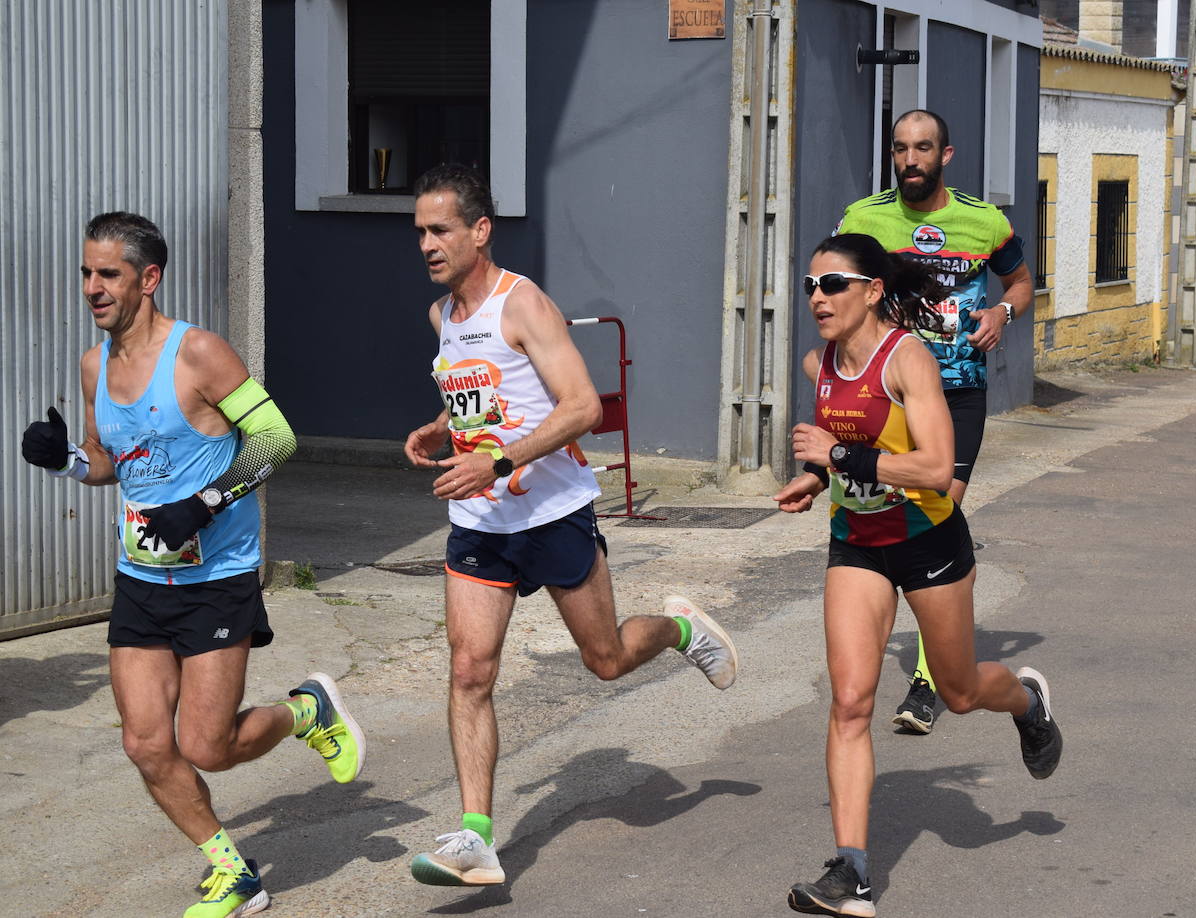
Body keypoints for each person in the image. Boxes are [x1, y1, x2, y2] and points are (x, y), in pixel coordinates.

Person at [402, 164, 739, 887]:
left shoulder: (523, 304)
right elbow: (486, 398)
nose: (427, 244)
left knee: (607, 659)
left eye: (441, 230)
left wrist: (496, 463)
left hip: (551, 513)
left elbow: (583, 405)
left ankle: (681, 629)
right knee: (469, 670)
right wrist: (442, 428)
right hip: (480, 521)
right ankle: (477, 836)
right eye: (420, 232)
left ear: (480, 230)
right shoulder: (443, 318)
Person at [20, 212, 364, 918]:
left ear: (149, 278)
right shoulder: (95, 366)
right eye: (86, 272)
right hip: (143, 582)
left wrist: (205, 501)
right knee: (146, 743)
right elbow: (111, 464)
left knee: (208, 745)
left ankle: (307, 711)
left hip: (217, 581)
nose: (92, 287)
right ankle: (235, 873)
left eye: (107, 273)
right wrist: (63, 461)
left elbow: (274, 439)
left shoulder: (199, 353)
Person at [772, 233, 1062, 918]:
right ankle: (853, 872)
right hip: (857, 544)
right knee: (850, 703)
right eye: (812, 284)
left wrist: (839, 454)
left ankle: (1025, 701)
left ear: (872, 290)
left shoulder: (907, 361)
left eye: (834, 283)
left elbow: (935, 467)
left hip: (928, 539)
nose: (818, 296)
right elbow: (840, 447)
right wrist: (814, 479)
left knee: (960, 692)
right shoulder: (820, 361)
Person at [835, 109, 1033, 736]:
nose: (910, 160)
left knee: (938, 501)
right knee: (894, 507)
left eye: (922, 149)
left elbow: (1022, 281)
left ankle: (927, 681)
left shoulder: (984, 221)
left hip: (959, 390)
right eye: (900, 150)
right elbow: (838, 287)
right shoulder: (863, 219)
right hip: (889, 389)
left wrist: (1003, 311)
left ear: (946, 155)